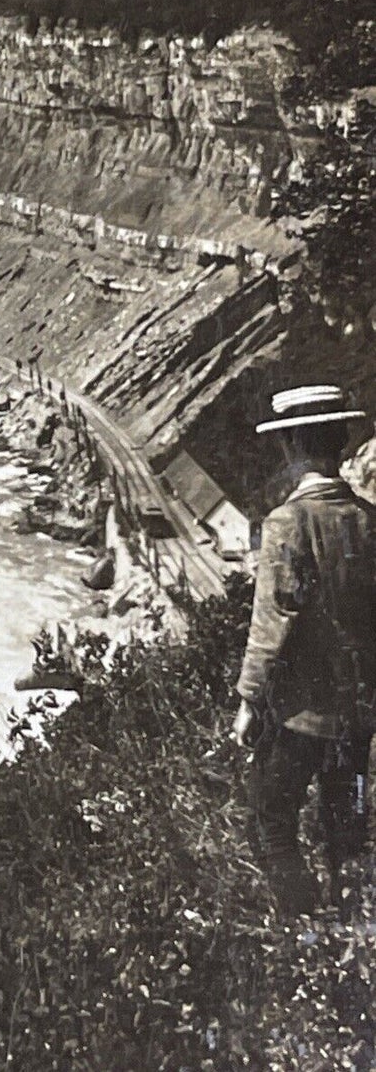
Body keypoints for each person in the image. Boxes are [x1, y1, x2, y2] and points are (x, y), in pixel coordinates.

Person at [234, 384, 376, 916]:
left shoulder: (286, 524)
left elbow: (273, 621)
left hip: (302, 713)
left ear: (291, 447)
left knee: (271, 822)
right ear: (339, 443)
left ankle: (301, 933)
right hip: (359, 714)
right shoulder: (368, 519)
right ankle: (349, 935)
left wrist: (249, 700)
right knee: (347, 825)